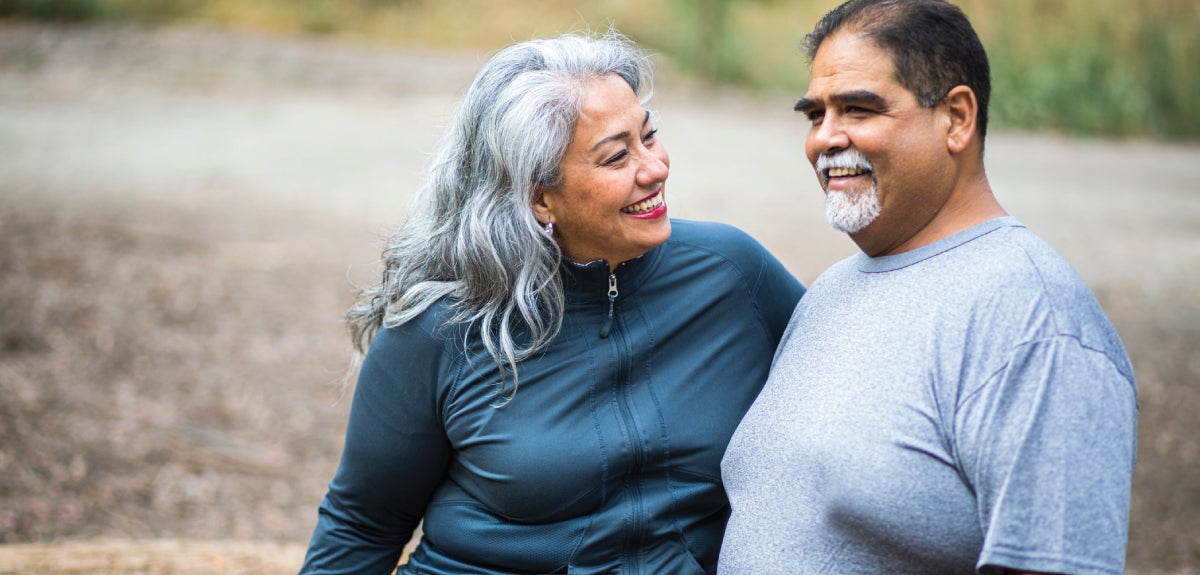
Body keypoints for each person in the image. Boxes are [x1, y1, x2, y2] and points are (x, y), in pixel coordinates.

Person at [298, 30, 805, 575]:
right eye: (616, 158)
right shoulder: (443, 326)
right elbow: (362, 525)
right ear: (538, 197)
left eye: (649, 136)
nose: (654, 168)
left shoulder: (732, 275)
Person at [719, 1, 1138, 574]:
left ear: (957, 118)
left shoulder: (1035, 320)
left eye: (859, 109)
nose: (825, 139)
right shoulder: (833, 291)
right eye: (815, 115)